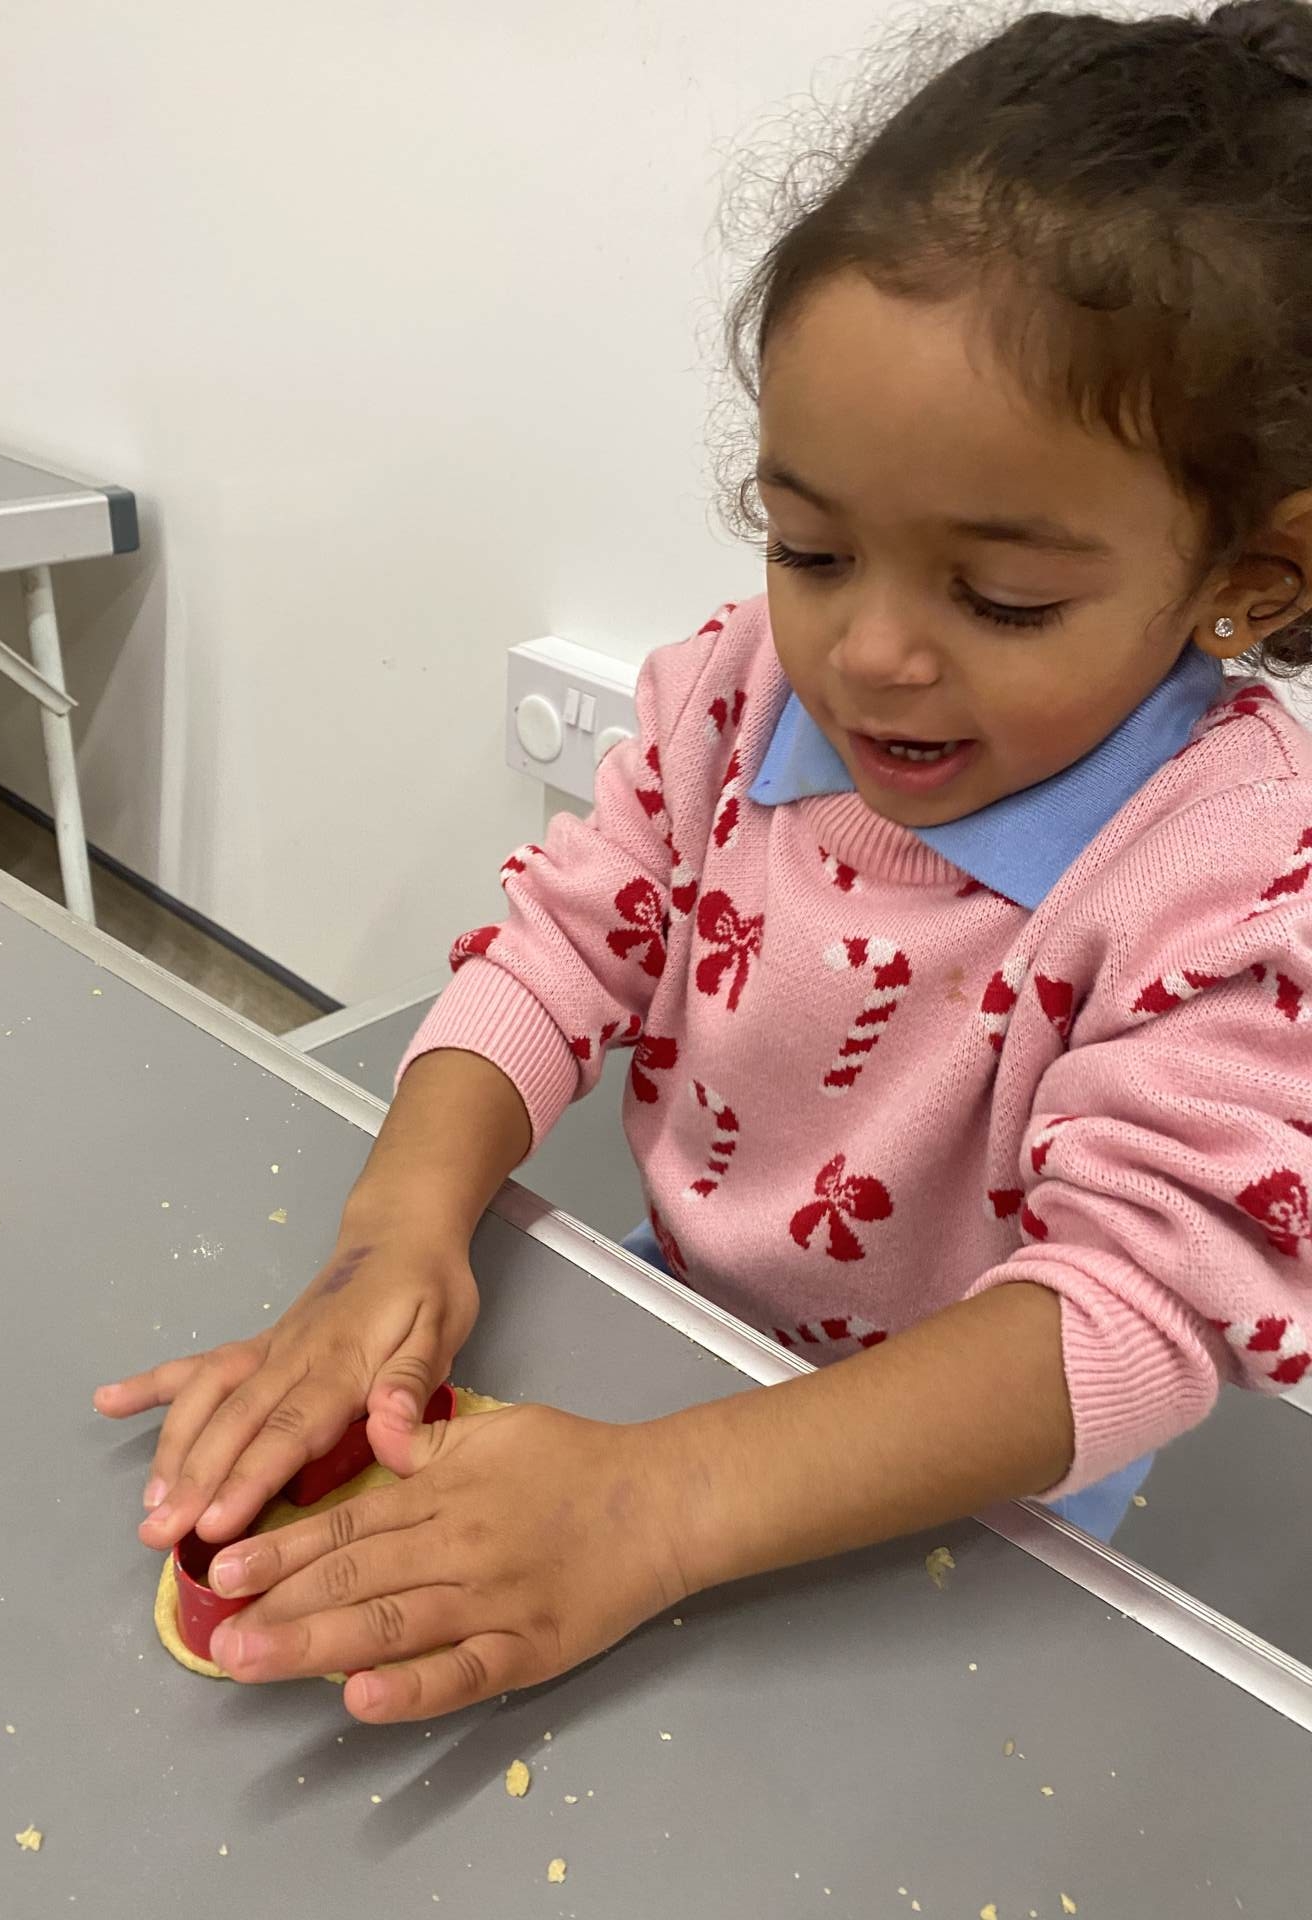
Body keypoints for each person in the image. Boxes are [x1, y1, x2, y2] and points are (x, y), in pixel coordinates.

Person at [97, 1, 1312, 1723]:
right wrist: (397, 1232)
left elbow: (1128, 1316)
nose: (867, 653)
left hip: (965, 1517)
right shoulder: (740, 697)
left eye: (1000, 597)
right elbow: (556, 952)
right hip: (669, 1364)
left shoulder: (1236, 873)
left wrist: (658, 1509)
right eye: (809, 547)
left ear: (1245, 583)